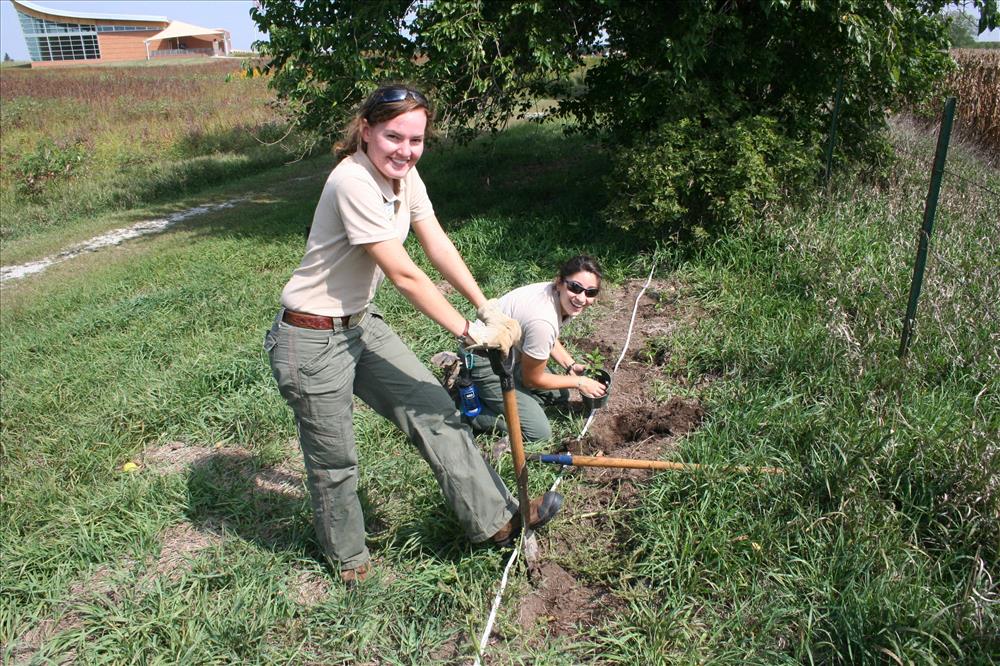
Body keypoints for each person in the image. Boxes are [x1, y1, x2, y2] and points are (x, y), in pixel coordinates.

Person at [263, 84, 563, 586]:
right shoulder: (351, 182)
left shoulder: (404, 177)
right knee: (335, 461)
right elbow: (405, 275)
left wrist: (485, 304)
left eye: (416, 139)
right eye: (393, 136)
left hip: (361, 325)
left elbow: (437, 243)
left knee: (437, 412)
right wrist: (471, 331)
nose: (404, 149)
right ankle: (349, 560)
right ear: (366, 130)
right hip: (311, 340)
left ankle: (497, 522)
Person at [460, 255, 608, 442]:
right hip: (484, 363)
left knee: (558, 394)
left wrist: (570, 366)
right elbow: (533, 379)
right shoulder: (543, 319)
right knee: (539, 433)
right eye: (575, 288)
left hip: (509, 355)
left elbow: (547, 339)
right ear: (561, 282)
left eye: (590, 292)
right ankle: (474, 413)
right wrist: (580, 382)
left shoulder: (556, 296)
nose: (581, 297)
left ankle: (513, 403)